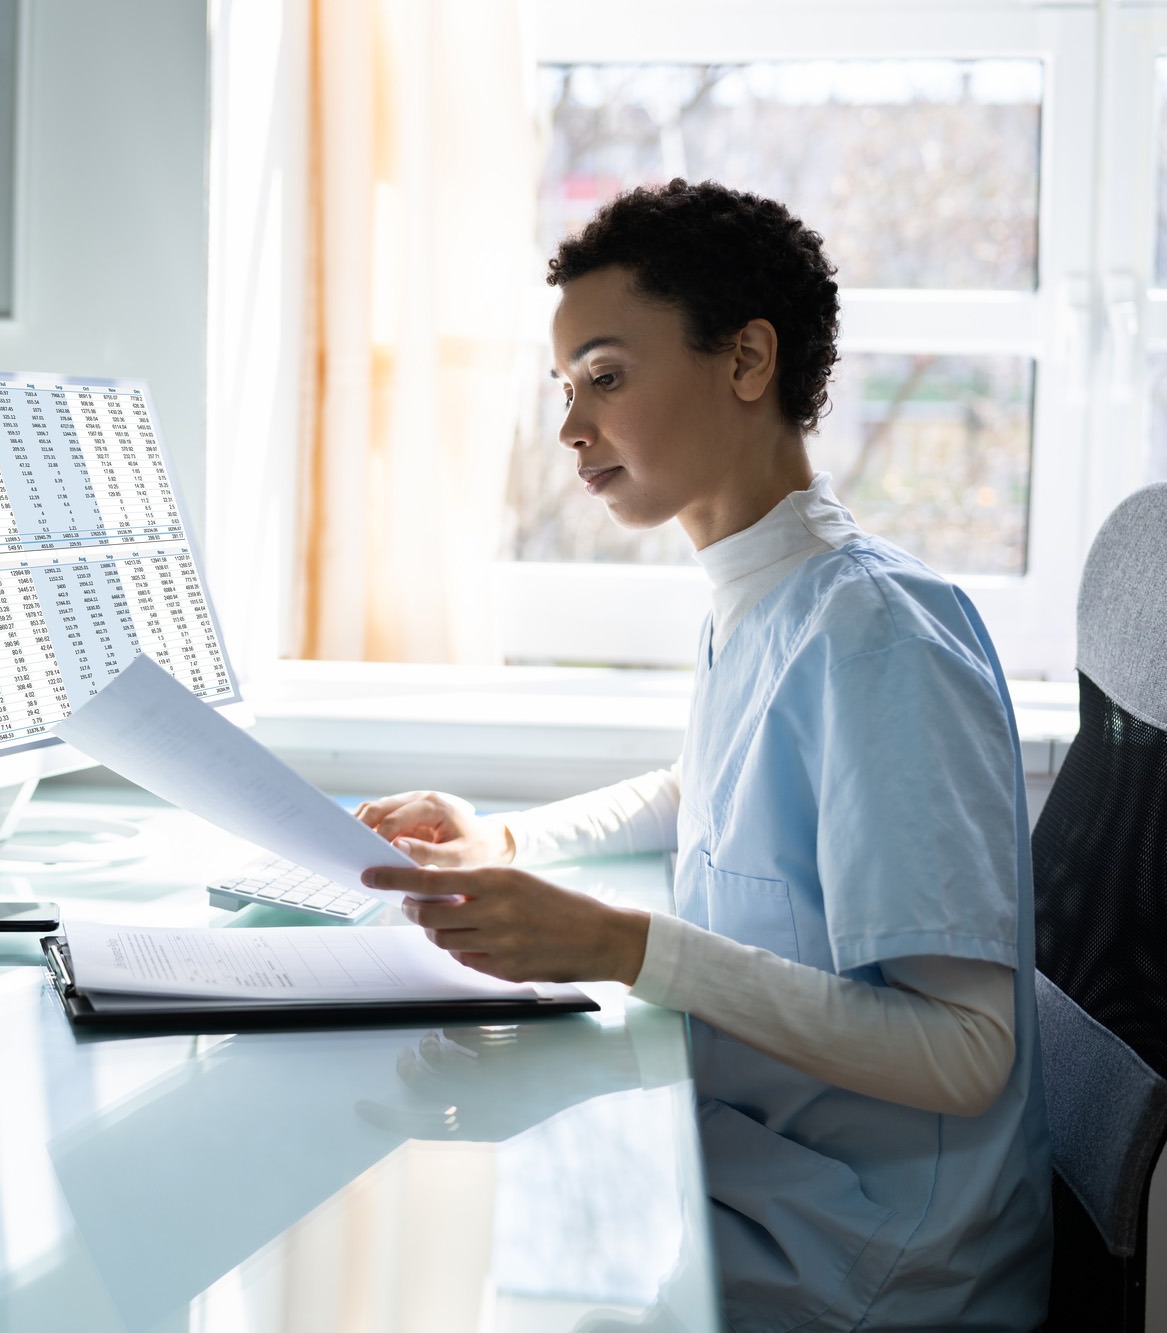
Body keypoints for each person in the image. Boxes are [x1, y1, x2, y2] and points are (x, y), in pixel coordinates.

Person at [357, 178, 1052, 1331]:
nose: (572, 428)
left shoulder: (874, 634)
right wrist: (512, 838)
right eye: (565, 387)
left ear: (744, 363)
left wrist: (625, 945)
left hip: (876, 1262)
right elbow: (709, 793)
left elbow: (966, 1051)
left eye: (606, 376)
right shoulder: (760, 591)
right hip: (777, 1179)